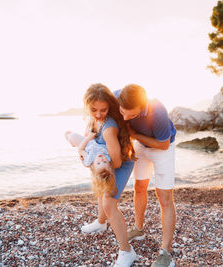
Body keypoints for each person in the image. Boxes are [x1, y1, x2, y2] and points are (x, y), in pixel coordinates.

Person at [114, 84, 177, 267]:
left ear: (142, 107)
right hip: (141, 146)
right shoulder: (117, 96)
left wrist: (134, 134)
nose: (125, 118)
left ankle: (165, 253)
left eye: (131, 115)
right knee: (139, 187)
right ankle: (138, 229)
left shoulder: (157, 111)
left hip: (162, 149)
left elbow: (163, 144)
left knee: (164, 197)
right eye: (122, 112)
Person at [78, 83, 137, 267]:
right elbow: (87, 138)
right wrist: (85, 154)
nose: (98, 114)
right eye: (93, 109)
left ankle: (127, 251)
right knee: (102, 191)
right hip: (104, 160)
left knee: (109, 202)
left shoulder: (109, 128)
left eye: (103, 110)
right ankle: (101, 222)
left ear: (109, 106)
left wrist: (96, 165)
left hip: (121, 163)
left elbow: (117, 162)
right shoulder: (93, 118)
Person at [65, 130, 117, 197]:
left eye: (98, 163)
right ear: (109, 164)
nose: (101, 159)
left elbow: (80, 149)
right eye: (104, 162)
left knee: (71, 136)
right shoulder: (108, 156)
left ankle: (71, 141)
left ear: (94, 166)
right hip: (95, 140)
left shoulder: (89, 160)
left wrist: (88, 138)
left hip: (85, 143)